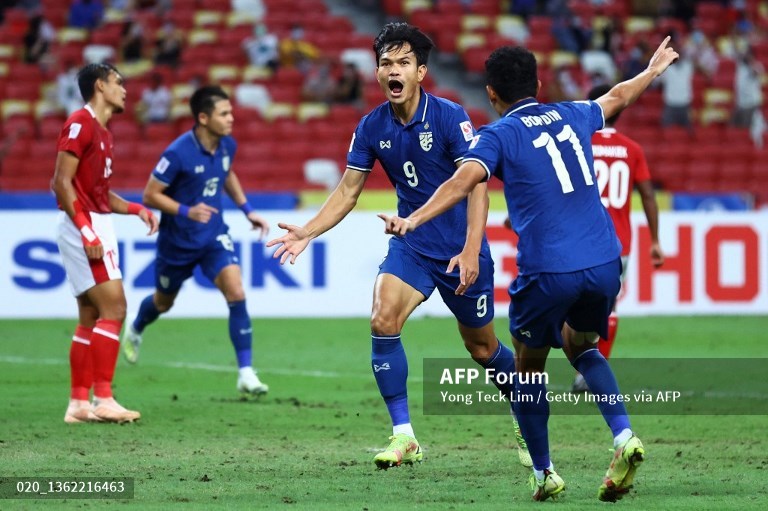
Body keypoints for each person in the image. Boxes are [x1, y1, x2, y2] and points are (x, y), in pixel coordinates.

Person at [379, 38, 678, 501]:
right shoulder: (572, 113)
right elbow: (618, 96)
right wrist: (652, 71)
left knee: (527, 369)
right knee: (582, 346)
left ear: (491, 93)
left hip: (548, 270)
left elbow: (461, 182)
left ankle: (544, 473)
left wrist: (413, 219)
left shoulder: (497, 135)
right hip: (605, 261)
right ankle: (624, 436)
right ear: (538, 84)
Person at [267, 22, 531, 470]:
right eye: (386, 63)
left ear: (420, 72)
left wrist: (471, 248)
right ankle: (404, 434)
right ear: (377, 73)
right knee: (382, 318)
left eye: (404, 62)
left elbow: (477, 186)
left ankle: (525, 411)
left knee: (483, 349)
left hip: (460, 251)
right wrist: (308, 231)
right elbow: (348, 191)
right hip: (412, 245)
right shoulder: (371, 126)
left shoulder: (449, 116)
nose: (394, 70)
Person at [121, 86, 271, 396]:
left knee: (236, 291)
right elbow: (150, 195)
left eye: (231, 112)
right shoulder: (177, 153)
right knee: (163, 302)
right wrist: (186, 211)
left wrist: (248, 210)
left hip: (213, 235)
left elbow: (227, 173)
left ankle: (246, 372)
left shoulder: (227, 145)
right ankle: (136, 326)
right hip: (177, 242)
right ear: (203, 118)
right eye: (224, 114)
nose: (231, 118)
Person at [51, 63, 159, 424]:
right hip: (82, 224)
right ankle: (104, 397)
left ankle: (78, 403)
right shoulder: (80, 123)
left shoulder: (103, 133)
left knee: (90, 314)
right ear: (100, 85)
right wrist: (86, 230)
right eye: (118, 83)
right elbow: (60, 183)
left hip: (93, 220)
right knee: (115, 308)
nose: (125, 90)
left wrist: (136, 209)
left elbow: (96, 193)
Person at [571, 83, 665, 393]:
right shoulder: (632, 149)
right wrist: (655, 240)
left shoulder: (579, 143)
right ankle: (590, 374)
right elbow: (648, 195)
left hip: (580, 239)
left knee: (568, 302)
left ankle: (576, 366)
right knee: (608, 308)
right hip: (618, 244)